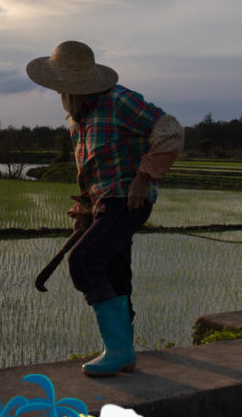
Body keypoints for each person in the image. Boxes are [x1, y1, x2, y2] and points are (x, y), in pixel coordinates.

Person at [27, 40, 183, 377]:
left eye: (62, 88)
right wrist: (84, 215)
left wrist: (145, 176)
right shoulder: (76, 121)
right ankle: (124, 353)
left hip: (128, 201)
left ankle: (118, 349)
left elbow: (169, 128)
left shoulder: (118, 100)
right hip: (103, 205)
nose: (61, 95)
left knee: (83, 260)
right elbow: (89, 172)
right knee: (114, 272)